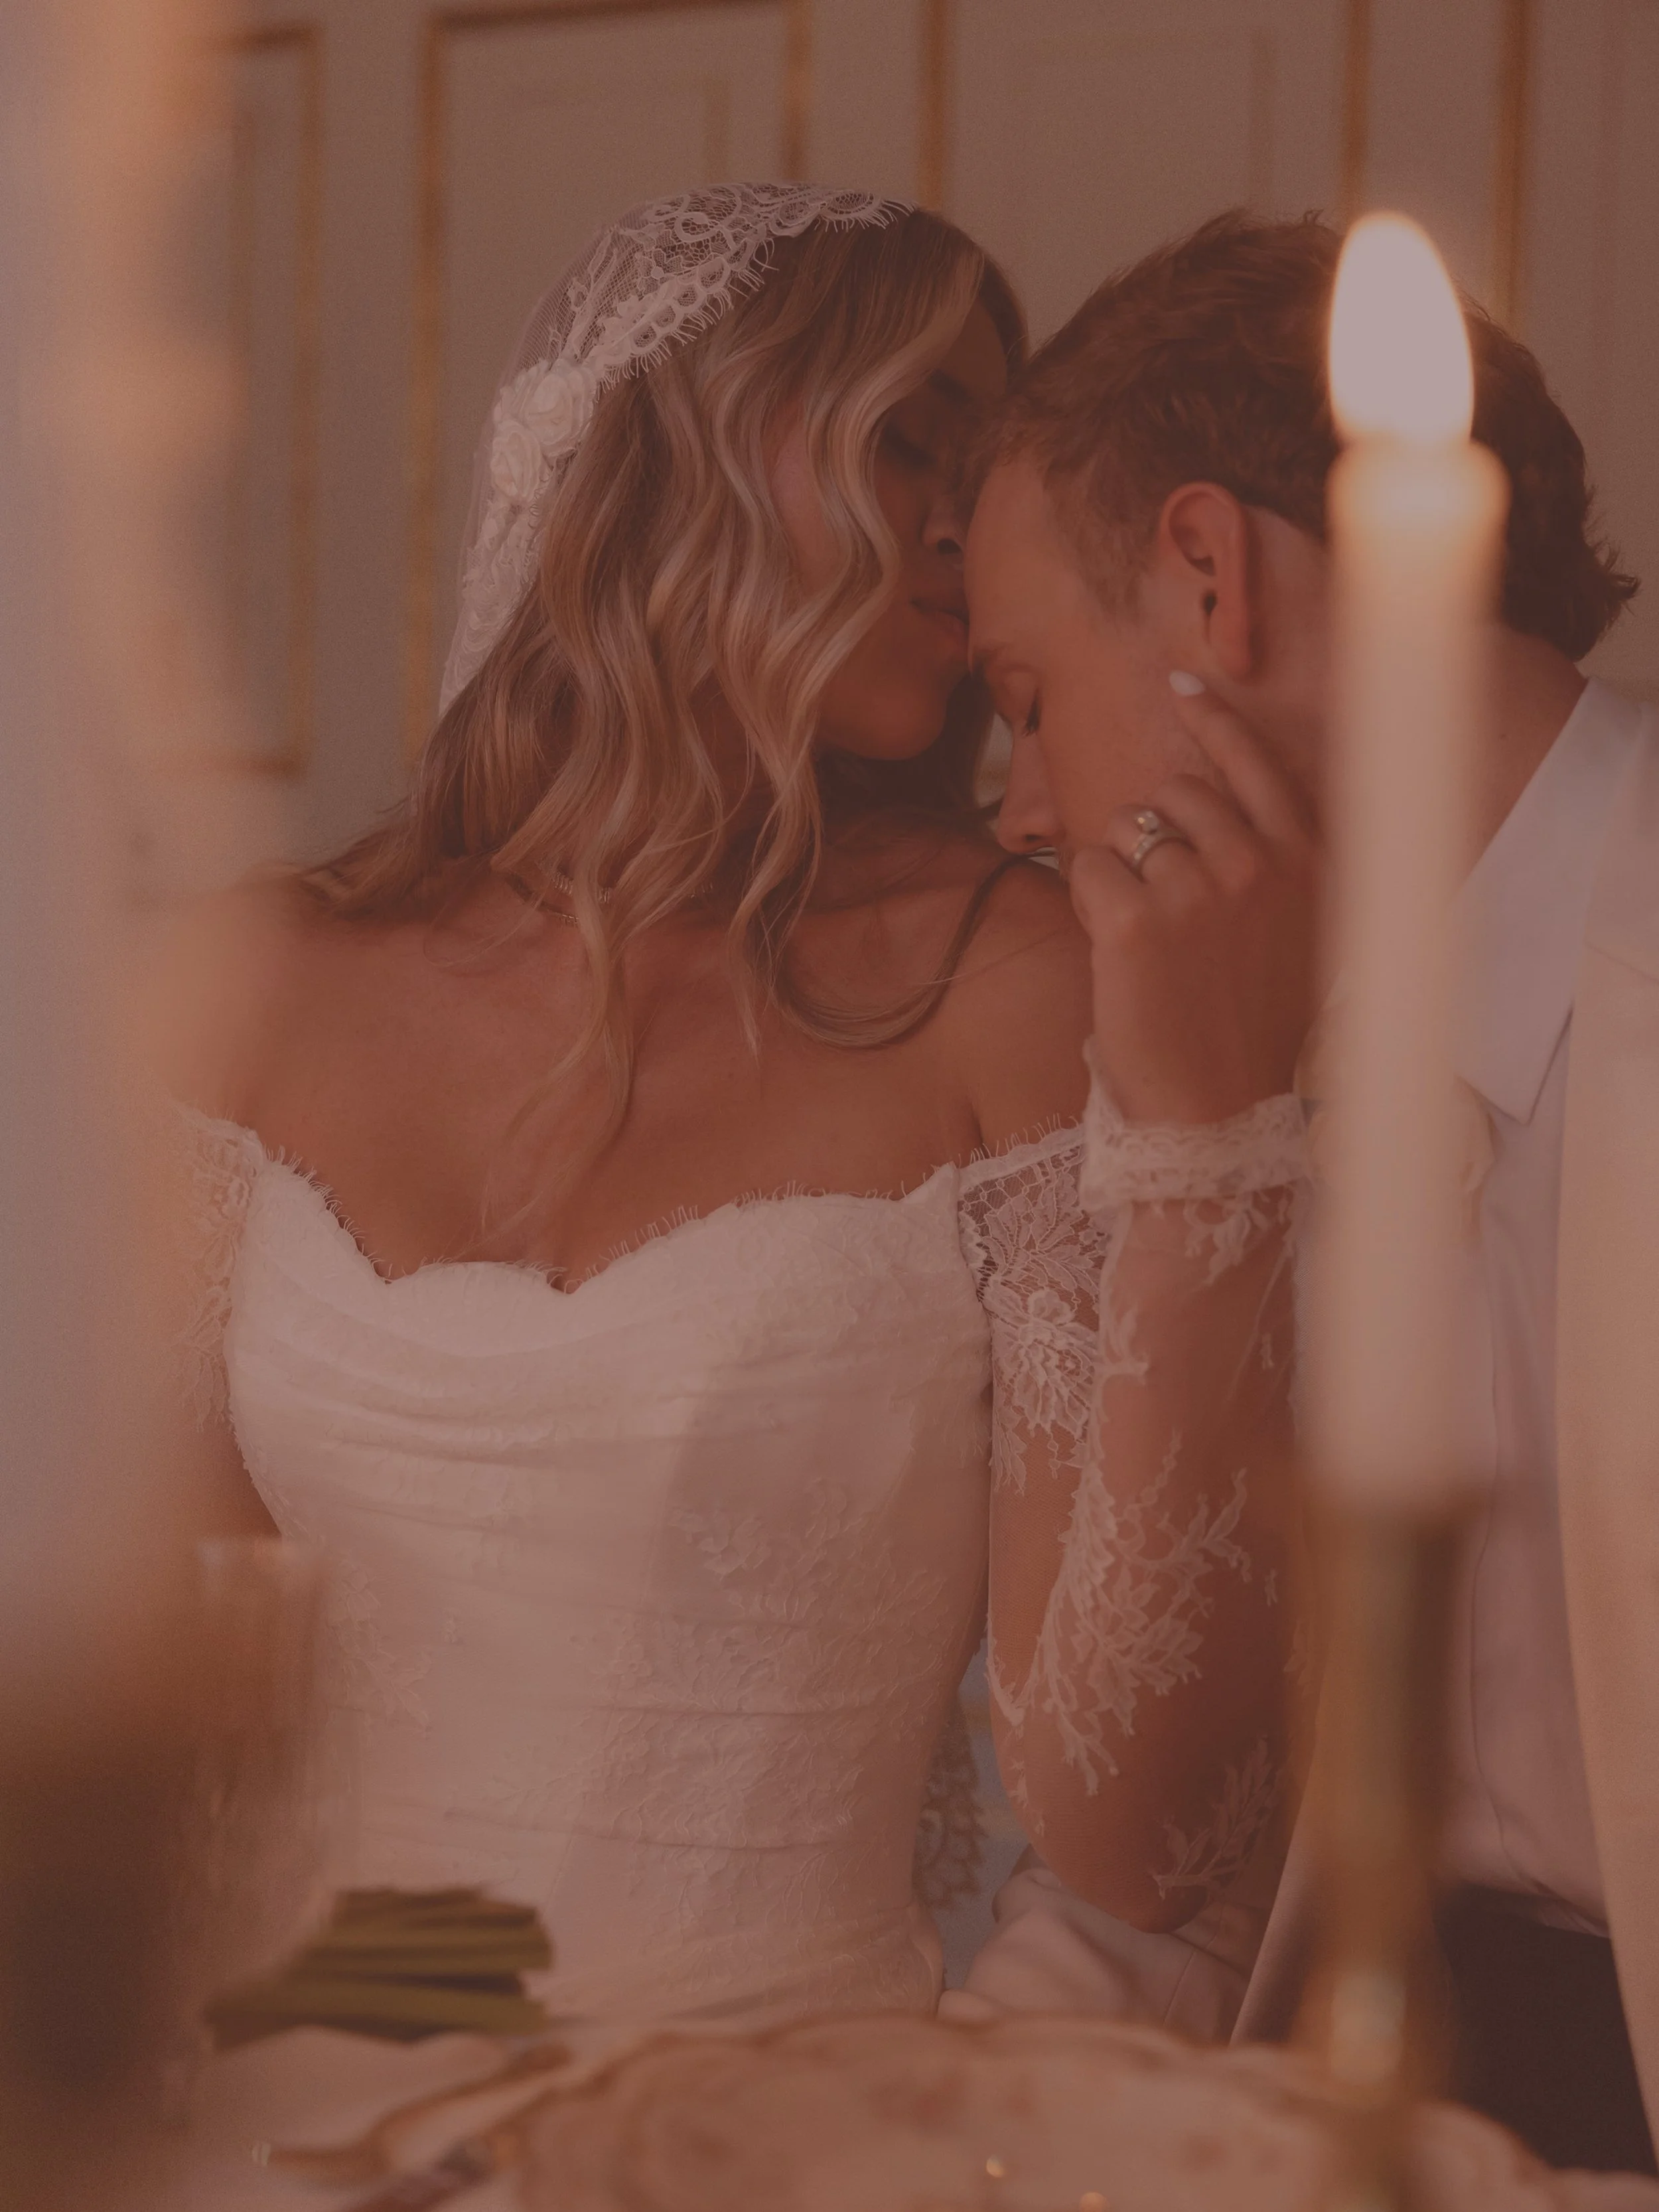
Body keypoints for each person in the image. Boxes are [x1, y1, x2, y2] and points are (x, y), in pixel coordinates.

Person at [152, 184, 1297, 2033]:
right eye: (899, 437)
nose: (959, 519)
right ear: (653, 469)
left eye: (980, 461)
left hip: (786, 2130)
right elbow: (161, 1747)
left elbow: (1149, 1815)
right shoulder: (249, 990)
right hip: (300, 2103)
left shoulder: (1012, 983)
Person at [960, 208, 1656, 2175]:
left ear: (1205, 573)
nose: (1014, 809)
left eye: (1024, 697)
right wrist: (1203, 1149)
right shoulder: (1202, 1045)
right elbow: (1124, 1854)